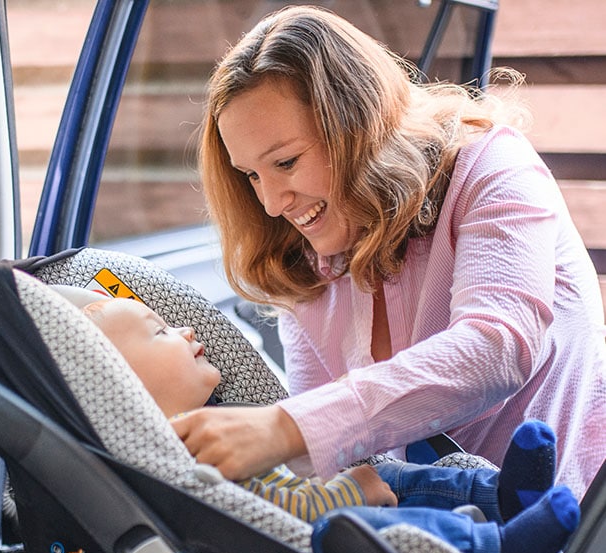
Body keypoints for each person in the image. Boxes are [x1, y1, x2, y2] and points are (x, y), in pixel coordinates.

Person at [171, 4, 606, 501]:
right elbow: (335, 456)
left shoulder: (493, 169)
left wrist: (285, 428)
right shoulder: (305, 257)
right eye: (251, 175)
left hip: (574, 542)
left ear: (359, 127)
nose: (270, 204)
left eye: (286, 162)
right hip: (433, 538)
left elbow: (497, 347)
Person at [78, 294, 579, 553]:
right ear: (123, 381)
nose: (185, 329)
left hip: (325, 497)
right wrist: (350, 490)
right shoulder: (178, 452)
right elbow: (277, 514)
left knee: (396, 476)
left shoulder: (209, 424)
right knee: (374, 517)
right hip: (316, 538)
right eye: (161, 332)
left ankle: (496, 496)